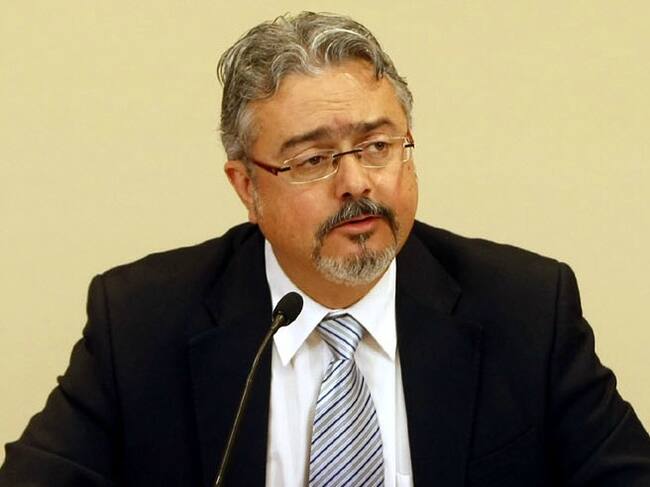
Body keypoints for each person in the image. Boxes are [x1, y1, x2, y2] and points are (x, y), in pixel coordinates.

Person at [1, 11, 649, 487]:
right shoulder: (142, 322)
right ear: (247, 186)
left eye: (378, 146)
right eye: (313, 159)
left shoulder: (525, 310)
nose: (357, 183)